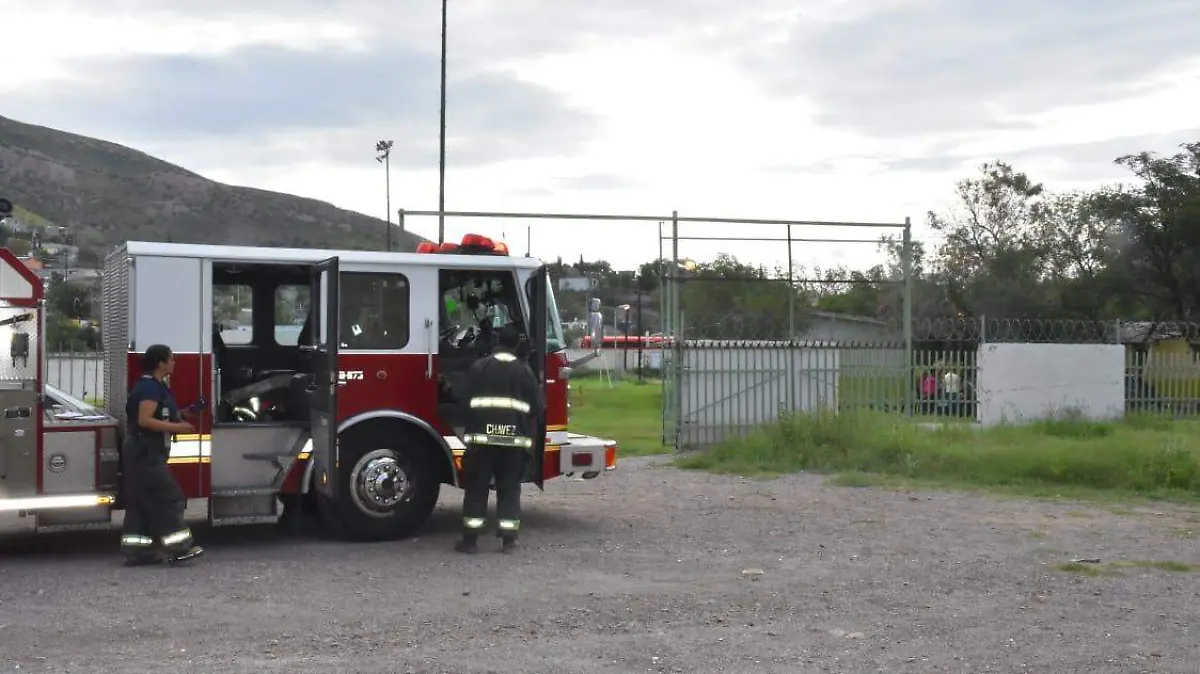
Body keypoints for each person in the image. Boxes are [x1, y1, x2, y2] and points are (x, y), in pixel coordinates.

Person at [454, 325, 542, 554]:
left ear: (496, 342)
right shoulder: (524, 371)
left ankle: (470, 542)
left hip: (481, 443)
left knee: (476, 490)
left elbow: (463, 401)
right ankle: (509, 542)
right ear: (516, 345)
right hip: (513, 445)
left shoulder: (479, 367)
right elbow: (537, 407)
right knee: (510, 490)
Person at [119, 344, 205, 566]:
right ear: (161, 363)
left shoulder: (157, 386)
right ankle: (179, 548)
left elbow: (160, 414)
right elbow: (145, 420)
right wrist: (179, 428)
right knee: (170, 497)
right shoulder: (149, 388)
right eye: (171, 359)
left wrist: (185, 413)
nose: (174, 363)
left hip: (144, 451)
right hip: (144, 451)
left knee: (141, 502)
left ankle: (139, 552)